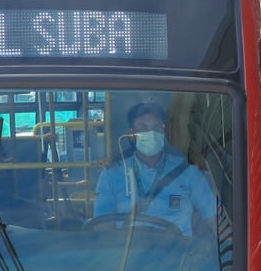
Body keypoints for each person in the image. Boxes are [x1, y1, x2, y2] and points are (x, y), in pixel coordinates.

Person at [92, 101, 220, 237]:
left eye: (156, 127)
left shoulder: (187, 172)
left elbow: (214, 219)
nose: (151, 133)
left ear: (163, 131)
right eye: (143, 127)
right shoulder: (112, 174)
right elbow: (103, 227)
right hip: (128, 253)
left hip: (178, 253)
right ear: (131, 134)